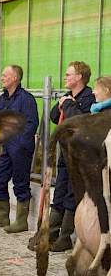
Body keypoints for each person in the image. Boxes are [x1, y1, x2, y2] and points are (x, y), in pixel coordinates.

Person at [46, 61, 96, 252]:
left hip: (79, 155)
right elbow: (53, 116)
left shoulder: (89, 99)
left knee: (71, 193)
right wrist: (63, 103)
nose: (65, 77)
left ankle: (65, 236)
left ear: (79, 77)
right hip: (64, 151)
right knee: (59, 190)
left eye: (69, 74)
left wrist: (68, 106)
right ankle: (50, 232)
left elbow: (80, 123)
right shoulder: (68, 96)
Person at [0, 65, 39, 233]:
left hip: (20, 147)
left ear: (15, 78)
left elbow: (31, 123)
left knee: (20, 183)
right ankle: (2, 216)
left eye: (5, 75)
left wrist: (20, 143)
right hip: (7, 146)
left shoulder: (26, 99)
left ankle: (22, 222)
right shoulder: (4, 99)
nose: (2, 77)